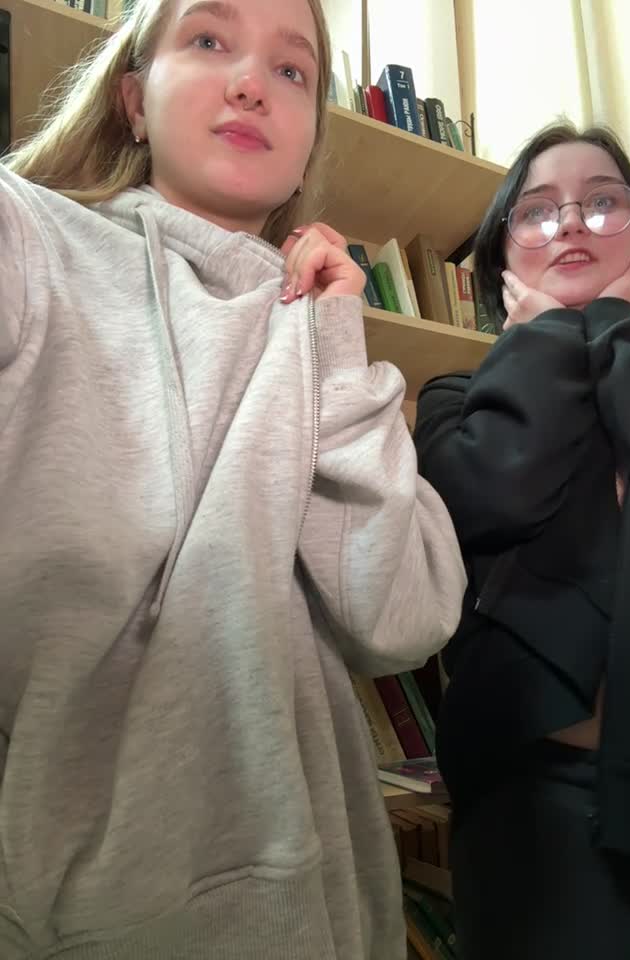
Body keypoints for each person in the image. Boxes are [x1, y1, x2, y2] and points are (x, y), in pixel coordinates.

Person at [0, 0, 467, 956]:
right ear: (134, 99)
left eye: (292, 70)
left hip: (335, 914)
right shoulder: (29, 240)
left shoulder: (320, 322)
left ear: (308, 145)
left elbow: (403, 618)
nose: (252, 83)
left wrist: (337, 338)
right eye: (209, 40)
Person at [414, 122, 630, 959]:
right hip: (527, 813)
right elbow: (491, 494)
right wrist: (546, 339)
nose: (573, 223)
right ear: (499, 260)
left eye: (602, 202)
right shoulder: (452, 399)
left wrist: (618, 326)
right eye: (538, 212)